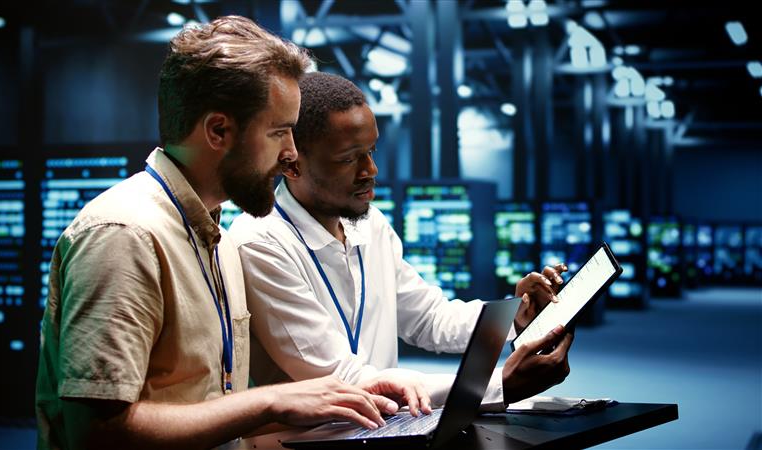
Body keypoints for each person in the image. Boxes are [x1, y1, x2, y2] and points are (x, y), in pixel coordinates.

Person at [35, 19, 429, 450]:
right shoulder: (125, 235)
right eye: (279, 132)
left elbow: (209, 406)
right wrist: (271, 402)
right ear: (219, 130)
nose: (291, 154)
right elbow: (97, 432)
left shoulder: (212, 236)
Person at [228, 71, 574, 411]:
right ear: (291, 165)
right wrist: (499, 385)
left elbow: (430, 319)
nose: (370, 170)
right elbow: (345, 380)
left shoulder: (370, 225)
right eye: (349, 159)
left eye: (371, 151)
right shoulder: (261, 244)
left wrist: (516, 315)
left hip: (385, 429)